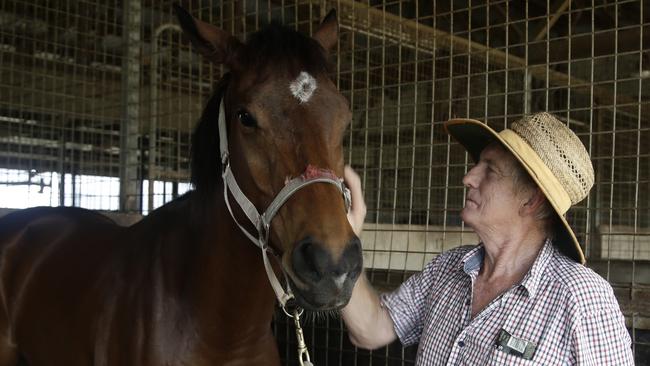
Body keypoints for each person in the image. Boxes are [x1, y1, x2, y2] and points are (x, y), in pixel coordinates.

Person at [342, 112, 634, 365]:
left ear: (531, 199)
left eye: (490, 170)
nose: (468, 177)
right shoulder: (447, 269)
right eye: (477, 164)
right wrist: (342, 243)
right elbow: (370, 328)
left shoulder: (581, 297)